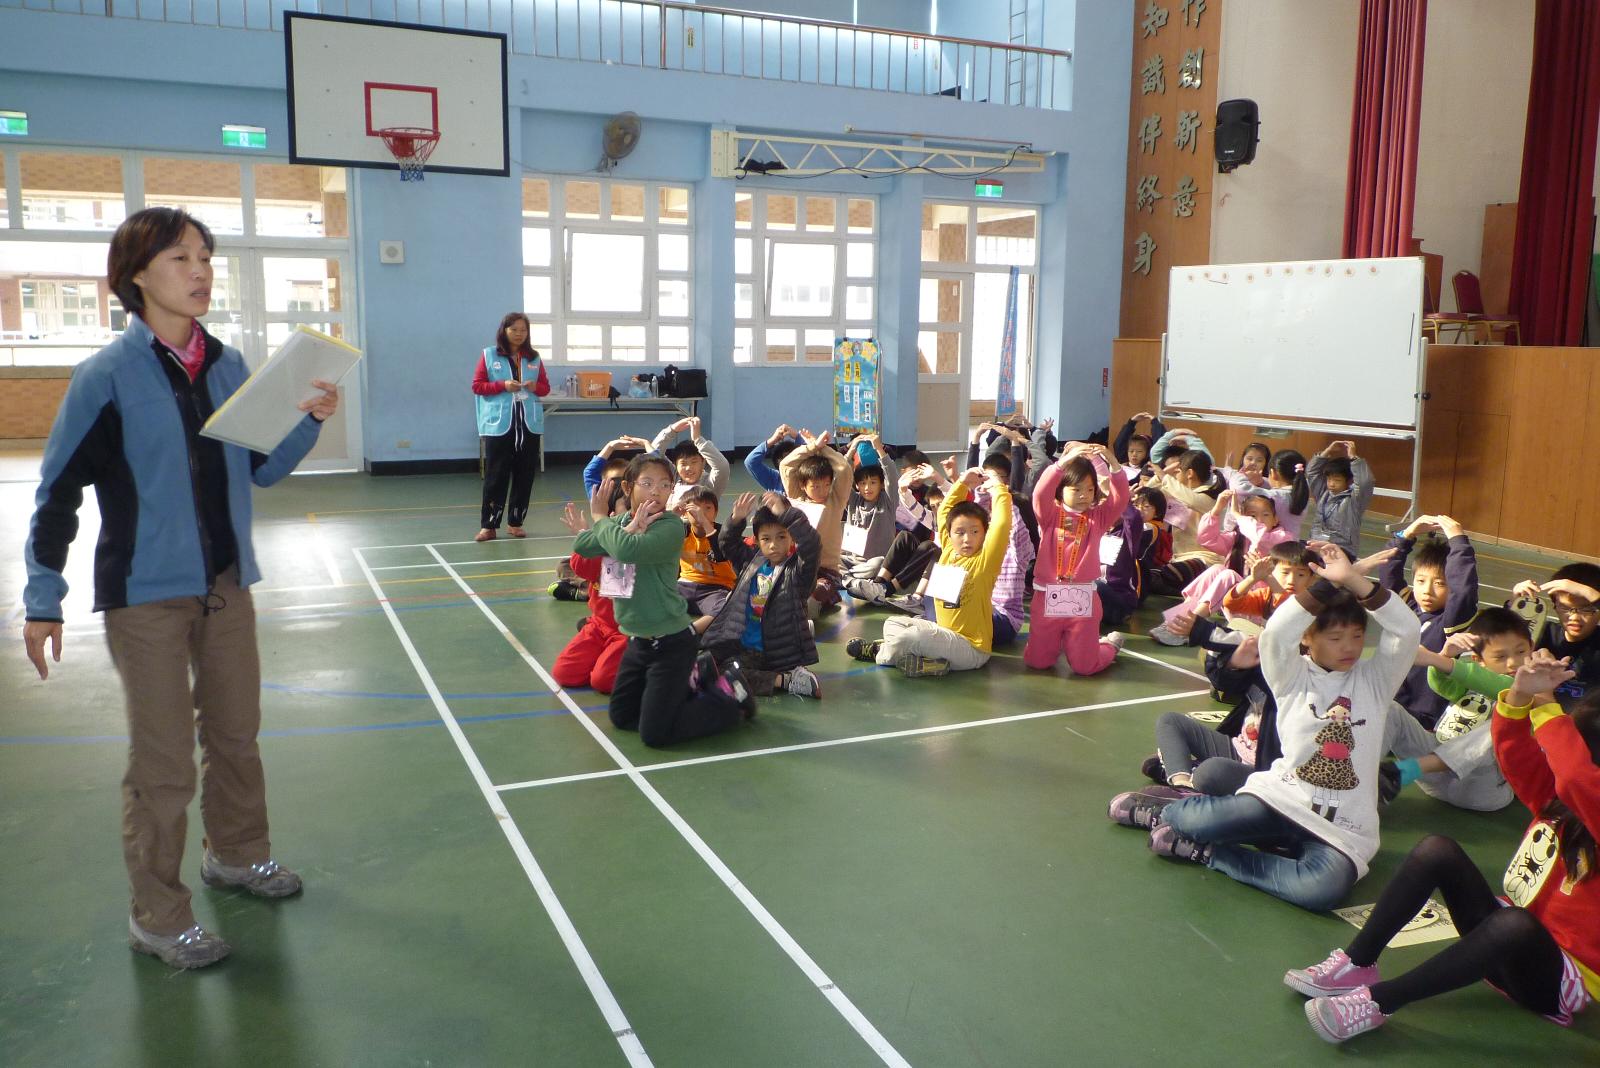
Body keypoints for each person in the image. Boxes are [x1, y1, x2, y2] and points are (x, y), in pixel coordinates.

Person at [21, 207, 339, 970]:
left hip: (226, 585)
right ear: (135, 276)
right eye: (178, 259)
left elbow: (257, 468)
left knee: (236, 736)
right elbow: (58, 489)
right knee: (162, 763)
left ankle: (237, 853)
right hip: (144, 595)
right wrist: (41, 594)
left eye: (204, 256)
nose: (199, 271)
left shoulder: (227, 365)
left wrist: (309, 423)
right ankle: (158, 915)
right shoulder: (106, 376)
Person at [1283, 654, 1598, 1044]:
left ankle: (1379, 1002)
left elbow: (1578, 778)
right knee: (1438, 850)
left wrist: (1550, 711)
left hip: (1557, 982)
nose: (1557, 754)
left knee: (1514, 924)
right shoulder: (1558, 804)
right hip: (1500, 943)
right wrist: (1520, 697)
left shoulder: (1584, 796)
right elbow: (1515, 755)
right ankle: (1357, 962)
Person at [1129, 543, 1432, 912]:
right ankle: (1171, 805)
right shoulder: (1291, 677)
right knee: (1186, 818)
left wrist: (1355, 581)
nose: (1349, 647)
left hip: (1344, 829)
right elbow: (1277, 633)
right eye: (1335, 638)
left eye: (1356, 636)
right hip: (1281, 800)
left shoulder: (1375, 682)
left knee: (1322, 890)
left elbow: (1406, 629)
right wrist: (1325, 587)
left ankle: (1211, 854)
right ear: (1308, 639)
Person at [571, 456, 753, 747]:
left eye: (665, 484)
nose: (656, 491)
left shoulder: (669, 528)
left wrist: (601, 520)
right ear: (629, 487)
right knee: (622, 717)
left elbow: (625, 550)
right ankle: (695, 680)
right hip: (637, 642)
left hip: (671, 644)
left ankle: (730, 698)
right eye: (647, 483)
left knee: (654, 735)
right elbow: (582, 546)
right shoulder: (621, 523)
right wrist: (622, 526)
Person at [847, 468, 1013, 677]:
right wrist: (962, 483)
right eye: (960, 533)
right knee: (893, 623)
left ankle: (880, 652)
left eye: (975, 532)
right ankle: (932, 663)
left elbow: (1002, 524)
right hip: (943, 635)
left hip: (971, 648)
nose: (967, 539)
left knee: (911, 638)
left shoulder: (985, 561)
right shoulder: (949, 551)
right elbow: (944, 512)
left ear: (984, 534)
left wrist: (999, 487)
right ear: (948, 533)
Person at [702, 490, 824, 699]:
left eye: (781, 537)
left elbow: (812, 545)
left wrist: (787, 514)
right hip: (746, 646)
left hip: (775, 653)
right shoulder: (752, 563)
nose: (773, 545)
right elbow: (727, 545)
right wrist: (737, 519)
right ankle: (783, 676)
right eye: (766, 539)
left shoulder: (797, 572)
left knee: (728, 674)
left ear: (792, 538)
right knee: (705, 664)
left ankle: (787, 680)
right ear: (756, 540)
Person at [1024, 442, 1130, 676]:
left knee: (1085, 667)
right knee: (1037, 662)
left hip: (1083, 599)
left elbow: (1120, 498)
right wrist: (1061, 463)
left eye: (1090, 490)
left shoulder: (1098, 518)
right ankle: (1056, 643)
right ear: (1061, 491)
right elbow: (1040, 492)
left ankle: (1109, 645)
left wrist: (1113, 465)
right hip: (1047, 596)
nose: (1084, 496)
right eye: (1076, 489)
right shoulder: (1050, 515)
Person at [1378, 514, 1479, 728]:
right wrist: (1407, 534)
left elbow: (1463, 590)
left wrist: (1458, 541)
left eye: (1440, 583)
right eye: (1421, 581)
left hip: (1424, 716)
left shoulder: (1450, 622)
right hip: (1389, 701)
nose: (1427, 590)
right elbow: (1388, 570)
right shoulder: (1406, 607)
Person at [472, 312, 549, 542]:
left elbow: (545, 388)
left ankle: (516, 523)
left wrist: (536, 386)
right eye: (514, 329)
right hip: (499, 425)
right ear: (504, 330)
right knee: (496, 475)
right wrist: (502, 385)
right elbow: (477, 386)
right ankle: (489, 526)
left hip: (528, 425)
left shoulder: (534, 358)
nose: (519, 334)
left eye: (523, 330)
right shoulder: (489, 355)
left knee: (525, 474)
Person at [552, 489, 629, 694]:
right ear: (609, 518)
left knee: (603, 681)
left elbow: (618, 586)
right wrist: (585, 537)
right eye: (619, 517)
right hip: (599, 625)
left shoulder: (635, 550)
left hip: (628, 631)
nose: (627, 523)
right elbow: (581, 567)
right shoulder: (603, 542)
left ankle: (648, 664)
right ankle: (609, 656)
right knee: (564, 673)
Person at [1306, 440, 1375, 560]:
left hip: (1342, 549)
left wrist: (1354, 459)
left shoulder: (1354, 499)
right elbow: (1312, 473)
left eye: (1337, 480)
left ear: (1349, 481)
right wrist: (1326, 452)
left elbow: (1365, 482)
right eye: (1329, 479)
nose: (1331, 484)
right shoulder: (1323, 493)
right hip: (1316, 544)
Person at [650, 415, 729, 507]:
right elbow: (654, 455)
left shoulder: (710, 484)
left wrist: (698, 439)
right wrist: (672, 430)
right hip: (671, 521)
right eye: (683, 463)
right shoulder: (674, 478)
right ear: (676, 464)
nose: (688, 468)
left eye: (694, 462)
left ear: (703, 462)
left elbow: (722, 466)